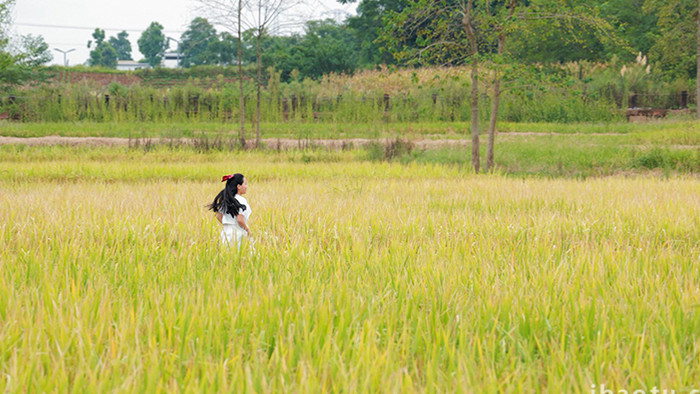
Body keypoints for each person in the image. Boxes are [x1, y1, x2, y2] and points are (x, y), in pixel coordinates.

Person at [208, 173, 252, 249]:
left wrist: (228, 223)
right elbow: (239, 219)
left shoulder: (226, 200)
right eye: (245, 184)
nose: (246, 186)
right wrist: (248, 230)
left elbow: (218, 216)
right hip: (238, 234)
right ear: (238, 186)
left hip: (225, 233)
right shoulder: (242, 200)